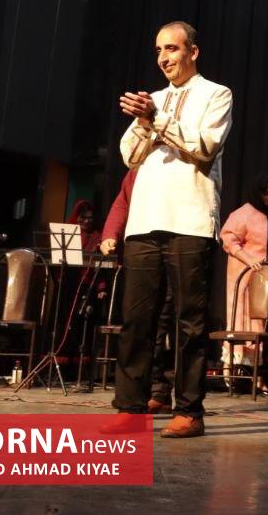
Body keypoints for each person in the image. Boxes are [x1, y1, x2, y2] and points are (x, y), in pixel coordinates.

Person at [112, 20, 233, 439]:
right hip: (144, 220)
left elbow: (205, 146)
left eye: (172, 49)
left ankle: (190, 410)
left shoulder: (216, 94)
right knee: (137, 321)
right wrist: (146, 120)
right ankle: (130, 408)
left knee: (190, 324)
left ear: (192, 52)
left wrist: (156, 119)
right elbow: (129, 156)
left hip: (190, 220)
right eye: (159, 50)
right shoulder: (155, 99)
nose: (164, 58)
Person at [101, 167, 174, 413]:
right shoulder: (138, 168)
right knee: (138, 324)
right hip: (142, 253)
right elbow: (122, 201)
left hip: (170, 250)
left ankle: (160, 391)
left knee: (163, 325)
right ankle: (137, 397)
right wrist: (110, 234)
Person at [220, 175, 268, 372]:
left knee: (258, 322)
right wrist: (248, 258)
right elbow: (228, 238)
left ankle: (257, 373)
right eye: (266, 193)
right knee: (240, 319)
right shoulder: (244, 213)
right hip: (243, 274)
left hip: (262, 278)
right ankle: (229, 367)